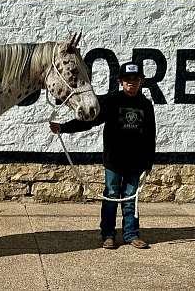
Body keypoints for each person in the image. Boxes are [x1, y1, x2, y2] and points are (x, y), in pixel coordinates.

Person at [50, 61, 156, 249]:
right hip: (114, 161)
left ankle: (131, 234)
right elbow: (90, 121)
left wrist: (148, 162)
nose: (132, 84)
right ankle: (108, 234)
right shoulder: (112, 101)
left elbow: (150, 136)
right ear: (121, 82)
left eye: (135, 80)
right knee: (111, 197)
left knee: (130, 199)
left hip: (136, 162)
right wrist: (64, 128)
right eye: (128, 80)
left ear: (141, 82)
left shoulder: (146, 105)